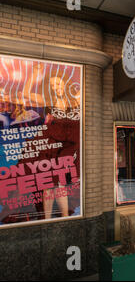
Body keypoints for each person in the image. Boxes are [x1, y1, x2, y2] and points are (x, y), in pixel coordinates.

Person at [40, 76, 81, 219]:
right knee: (51, 184)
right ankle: (47, 219)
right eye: (52, 85)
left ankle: (64, 216)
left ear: (65, 83)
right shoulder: (50, 105)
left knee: (60, 184)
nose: (55, 87)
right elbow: (47, 126)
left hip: (73, 148)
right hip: (55, 148)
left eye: (57, 83)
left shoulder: (78, 100)